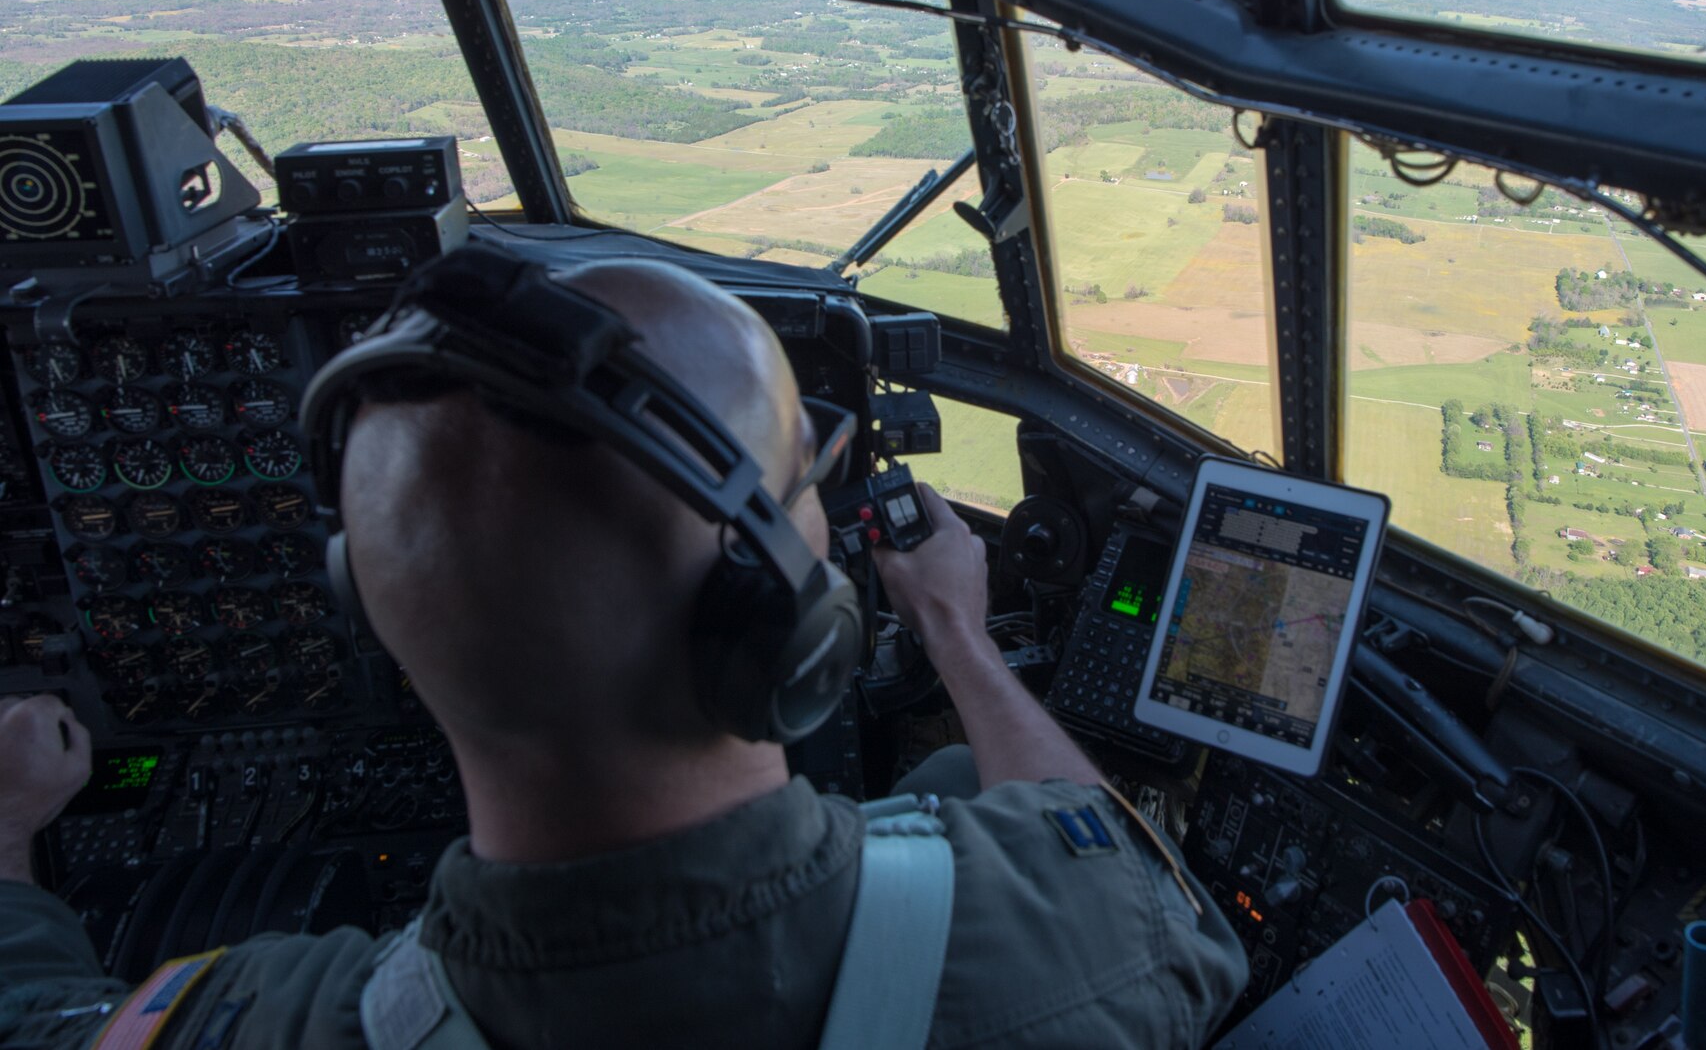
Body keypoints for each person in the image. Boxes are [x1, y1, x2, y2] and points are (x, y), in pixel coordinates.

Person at [0, 258, 1247, 1049]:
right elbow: (1154, 900)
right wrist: (955, 633)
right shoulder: (1071, 942)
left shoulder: (259, 1020)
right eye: (802, 486)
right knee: (950, 789)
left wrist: (10, 826)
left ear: (375, 611)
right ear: (782, 617)